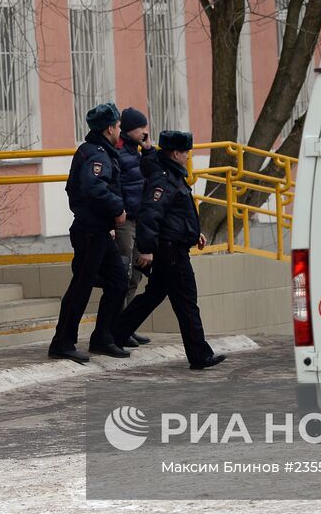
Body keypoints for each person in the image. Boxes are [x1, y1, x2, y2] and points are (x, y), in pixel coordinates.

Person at [113, 130, 225, 370]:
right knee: (187, 303)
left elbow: (174, 214)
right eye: (185, 152)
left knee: (152, 296)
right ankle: (200, 355)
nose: (187, 157)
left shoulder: (168, 172)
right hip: (170, 252)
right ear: (175, 153)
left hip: (171, 247)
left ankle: (114, 334)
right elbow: (150, 214)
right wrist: (146, 249)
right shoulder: (164, 179)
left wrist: (194, 234)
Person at [49, 102, 131, 363]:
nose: (120, 130)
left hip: (99, 230)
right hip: (90, 230)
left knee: (118, 281)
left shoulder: (100, 150)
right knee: (81, 286)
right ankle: (62, 342)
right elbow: (93, 187)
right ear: (109, 129)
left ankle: (102, 338)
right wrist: (117, 209)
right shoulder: (95, 153)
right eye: (118, 126)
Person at [114, 106, 155, 344]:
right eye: (140, 128)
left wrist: (149, 149)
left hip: (141, 219)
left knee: (137, 275)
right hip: (125, 220)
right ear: (129, 129)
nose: (144, 132)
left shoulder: (139, 152)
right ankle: (118, 326)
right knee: (124, 272)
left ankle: (127, 325)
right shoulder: (119, 152)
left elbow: (155, 171)